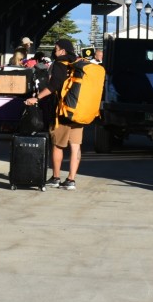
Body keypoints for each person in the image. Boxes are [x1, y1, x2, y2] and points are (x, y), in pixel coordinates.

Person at [24, 38, 98, 190]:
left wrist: (36, 98)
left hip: (63, 112)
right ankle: (71, 180)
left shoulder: (60, 63)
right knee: (75, 147)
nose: (55, 51)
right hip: (79, 110)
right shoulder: (80, 63)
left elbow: (54, 86)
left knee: (58, 145)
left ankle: (56, 177)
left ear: (63, 50)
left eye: (56, 49)